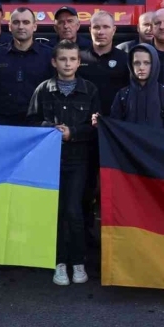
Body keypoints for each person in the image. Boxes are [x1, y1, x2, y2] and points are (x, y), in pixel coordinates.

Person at [27, 40, 101, 287]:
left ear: (79, 62)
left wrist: (73, 133)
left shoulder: (90, 90)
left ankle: (78, 261)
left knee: (74, 209)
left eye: (72, 59)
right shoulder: (43, 90)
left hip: (79, 161)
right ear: (54, 62)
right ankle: (58, 262)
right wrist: (51, 130)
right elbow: (31, 122)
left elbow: (97, 127)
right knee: (56, 212)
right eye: (63, 59)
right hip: (50, 162)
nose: (68, 64)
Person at [76, 10, 129, 245]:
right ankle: (85, 238)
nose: (101, 31)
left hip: (113, 137)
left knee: (112, 190)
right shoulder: (79, 58)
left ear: (114, 30)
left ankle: (113, 241)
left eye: (106, 27)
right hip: (82, 136)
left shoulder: (125, 61)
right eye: (96, 27)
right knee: (84, 189)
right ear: (90, 30)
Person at [0, 7, 54, 126]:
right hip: (2, 124)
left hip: (38, 126)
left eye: (26, 22)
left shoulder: (49, 55)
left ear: (35, 26)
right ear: (10, 26)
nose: (21, 26)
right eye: (16, 22)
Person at [108, 44, 164, 129]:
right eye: (137, 63)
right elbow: (114, 128)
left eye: (147, 63)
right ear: (131, 65)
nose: (141, 67)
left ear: (154, 64)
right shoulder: (122, 95)